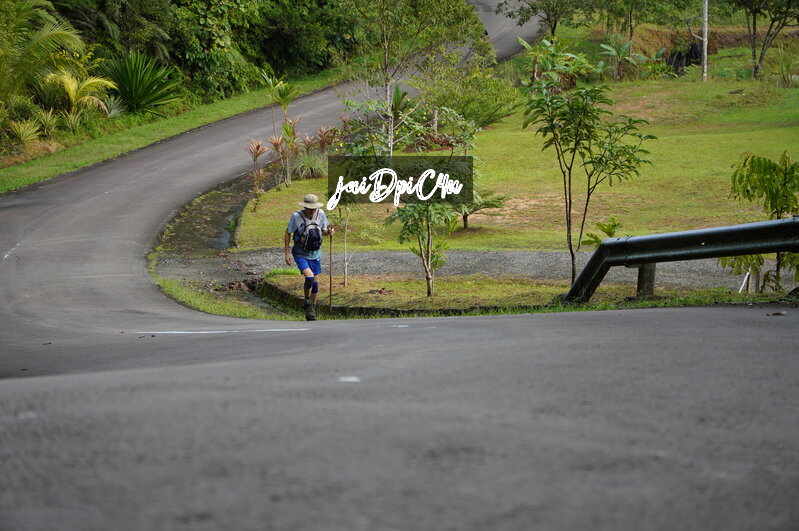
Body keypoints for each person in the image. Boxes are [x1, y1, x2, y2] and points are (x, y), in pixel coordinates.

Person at [284, 193, 334, 321]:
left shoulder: (321, 214)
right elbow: (288, 232)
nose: (312, 211)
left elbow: (323, 231)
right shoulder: (296, 216)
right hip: (300, 253)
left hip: (315, 253)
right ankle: (307, 301)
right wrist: (287, 252)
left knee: (315, 286)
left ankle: (312, 310)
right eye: (309, 208)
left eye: (314, 208)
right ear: (304, 207)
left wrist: (329, 232)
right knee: (309, 277)